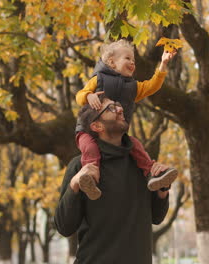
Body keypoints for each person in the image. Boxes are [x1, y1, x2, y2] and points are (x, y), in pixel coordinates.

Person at [55, 95, 170, 263]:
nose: (120, 109)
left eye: (118, 105)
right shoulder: (81, 167)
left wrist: (163, 190)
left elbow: (157, 217)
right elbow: (64, 226)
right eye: (110, 108)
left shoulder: (141, 164)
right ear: (97, 125)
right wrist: (74, 184)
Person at [74, 39, 178, 199]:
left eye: (133, 60)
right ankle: (91, 179)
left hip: (115, 132)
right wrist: (89, 96)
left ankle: (152, 173)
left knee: (136, 145)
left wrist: (163, 65)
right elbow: (79, 95)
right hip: (88, 129)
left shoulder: (133, 87)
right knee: (90, 149)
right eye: (127, 58)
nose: (132, 62)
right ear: (111, 62)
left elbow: (152, 86)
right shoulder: (99, 79)